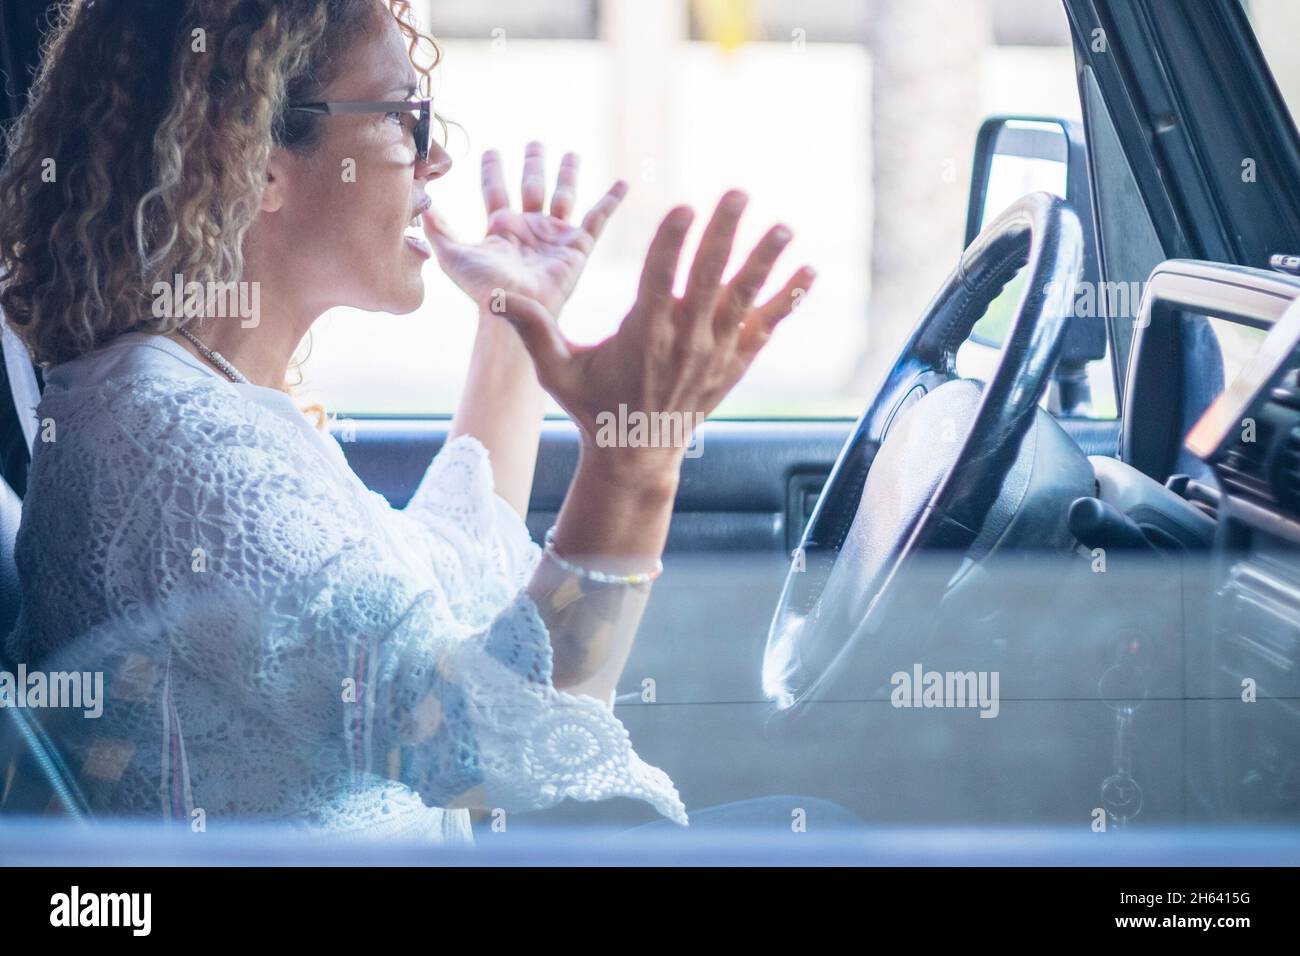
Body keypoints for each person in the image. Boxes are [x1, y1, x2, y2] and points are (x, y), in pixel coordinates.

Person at [0, 0, 816, 842]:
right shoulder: (181, 449)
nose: (438, 156)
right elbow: (480, 741)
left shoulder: (188, 405)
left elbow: (448, 579)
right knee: (820, 830)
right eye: (402, 117)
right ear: (258, 157)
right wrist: (636, 461)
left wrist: (513, 324)